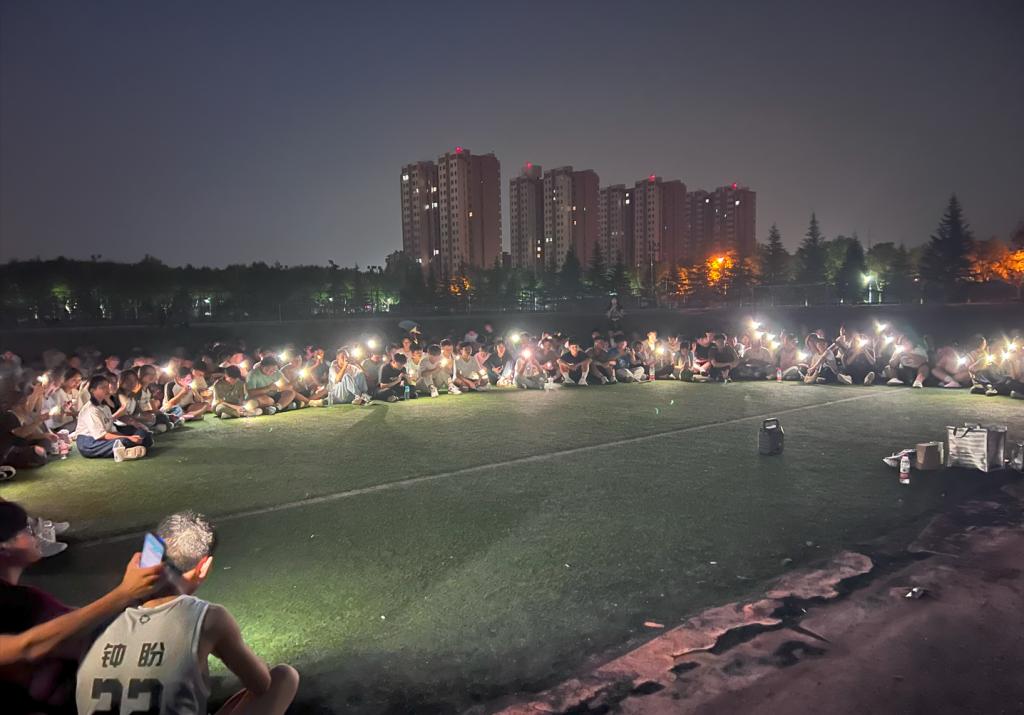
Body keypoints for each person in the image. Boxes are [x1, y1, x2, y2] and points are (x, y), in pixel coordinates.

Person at [76, 511, 299, 715]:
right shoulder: (210, 618)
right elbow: (261, 683)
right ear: (203, 567)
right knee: (284, 677)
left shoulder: (101, 615)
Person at [0, 501, 165, 714]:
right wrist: (124, 593)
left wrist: (139, 596)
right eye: (26, 530)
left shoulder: (24, 596)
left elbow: (75, 621)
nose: (36, 535)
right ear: (4, 547)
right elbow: (27, 647)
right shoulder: (20, 600)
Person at [73, 375, 151, 461]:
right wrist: (128, 438)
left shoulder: (105, 408)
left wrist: (131, 436)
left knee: (142, 434)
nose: (106, 390)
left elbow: (111, 430)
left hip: (104, 438)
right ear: (92, 390)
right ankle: (126, 450)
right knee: (125, 441)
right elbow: (101, 435)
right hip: (89, 442)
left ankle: (128, 449)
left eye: (107, 387)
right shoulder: (90, 409)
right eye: (102, 387)